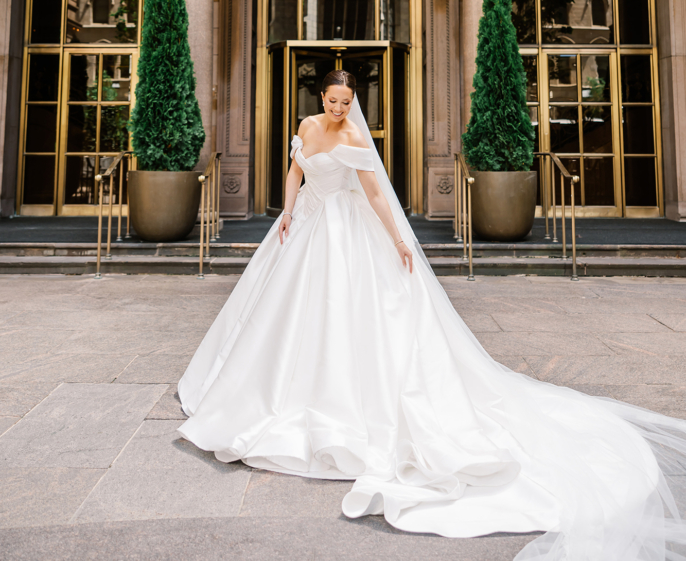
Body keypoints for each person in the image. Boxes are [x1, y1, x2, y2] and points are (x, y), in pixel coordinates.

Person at [179, 70, 686, 560]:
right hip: (308, 224)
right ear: (320, 98)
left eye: (343, 102)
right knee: (283, 315)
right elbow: (294, 173)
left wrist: (399, 239)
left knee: (343, 314)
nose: (336, 109)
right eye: (330, 101)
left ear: (353, 101)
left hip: (345, 230)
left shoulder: (354, 134)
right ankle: (274, 392)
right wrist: (287, 211)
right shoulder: (307, 127)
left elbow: (375, 193)